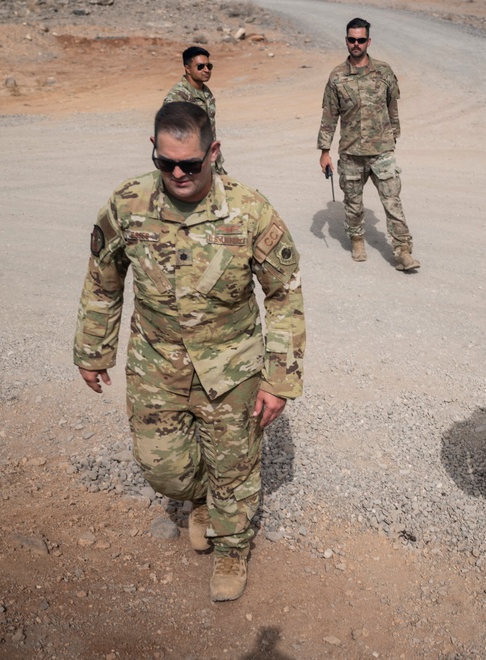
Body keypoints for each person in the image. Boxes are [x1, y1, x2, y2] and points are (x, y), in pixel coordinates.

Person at [73, 102, 305, 602]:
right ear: (154, 152)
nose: (178, 173)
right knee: (164, 469)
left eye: (191, 163)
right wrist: (93, 350)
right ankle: (196, 499)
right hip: (156, 364)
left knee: (234, 466)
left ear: (213, 153)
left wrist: (279, 379)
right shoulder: (127, 204)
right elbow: (103, 281)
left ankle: (231, 550)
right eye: (166, 162)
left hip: (231, 365)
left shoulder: (250, 211)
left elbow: (284, 293)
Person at [316, 17, 419, 271]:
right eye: (352, 39)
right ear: (346, 41)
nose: (356, 44)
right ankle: (357, 239)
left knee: (392, 201)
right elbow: (329, 115)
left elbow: (392, 106)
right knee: (352, 202)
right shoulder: (337, 77)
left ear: (368, 41)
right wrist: (325, 151)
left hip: (381, 151)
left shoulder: (383, 71)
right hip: (351, 152)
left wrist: (393, 136)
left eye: (361, 40)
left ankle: (403, 251)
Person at [164, 46, 226, 174]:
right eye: (200, 66)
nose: (206, 70)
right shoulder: (177, 97)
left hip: (211, 162)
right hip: (192, 168)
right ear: (187, 69)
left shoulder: (205, 92)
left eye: (209, 66)